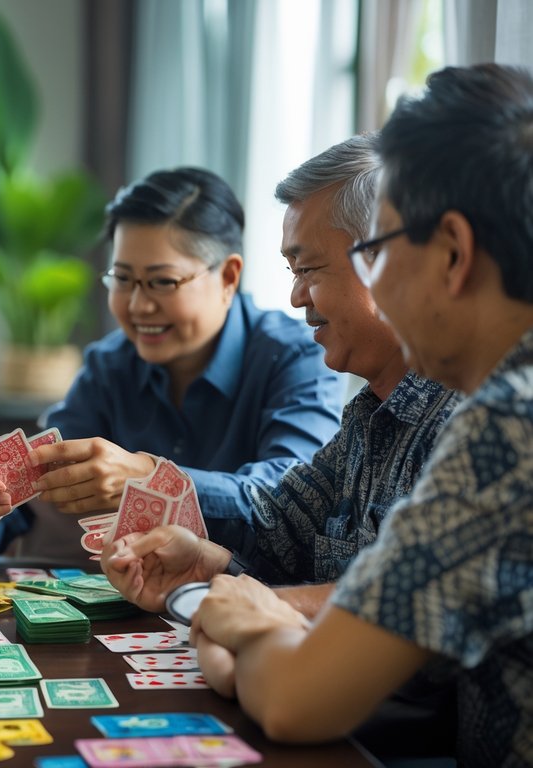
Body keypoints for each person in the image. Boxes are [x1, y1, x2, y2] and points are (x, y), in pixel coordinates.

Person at [182, 64, 533, 766]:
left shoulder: (508, 428)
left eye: (375, 249)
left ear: (453, 252)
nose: (372, 281)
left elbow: (294, 700)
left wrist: (242, 632)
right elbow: (284, 525)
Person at [103, 135, 459, 615]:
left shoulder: (471, 419)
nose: (296, 297)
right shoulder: (368, 414)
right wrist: (208, 567)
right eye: (291, 271)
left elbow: (418, 604)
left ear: (393, 264)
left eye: (308, 269)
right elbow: (279, 526)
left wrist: (252, 604)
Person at [0, 167, 342, 562]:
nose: (137, 306)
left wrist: (152, 478)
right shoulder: (111, 363)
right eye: (123, 279)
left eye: (162, 282)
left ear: (228, 276)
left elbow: (291, 499)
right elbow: (24, 503)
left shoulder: (299, 355)